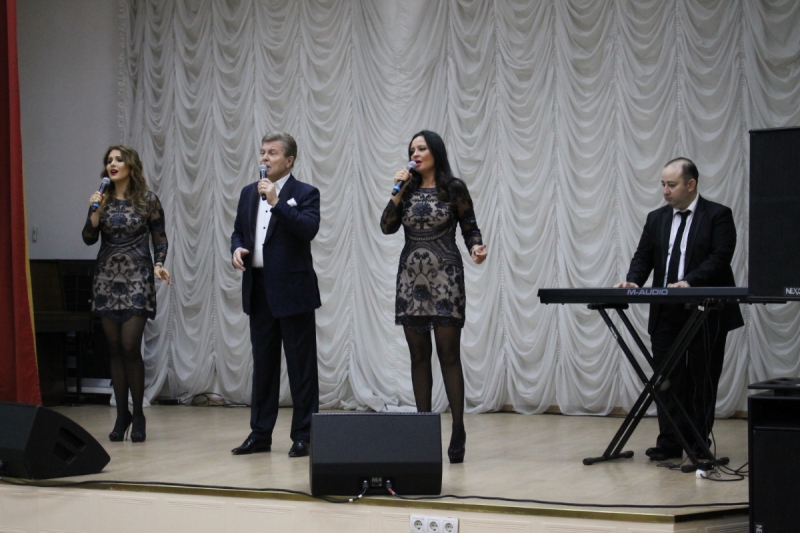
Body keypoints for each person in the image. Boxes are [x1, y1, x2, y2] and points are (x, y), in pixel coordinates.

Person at [615, 157, 744, 462]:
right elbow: (643, 256)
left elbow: (720, 257)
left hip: (706, 311)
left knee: (702, 378)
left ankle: (698, 443)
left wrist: (690, 282)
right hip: (666, 311)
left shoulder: (718, 215)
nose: (665, 191)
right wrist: (633, 281)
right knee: (667, 378)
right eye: (663, 184)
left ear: (691, 184)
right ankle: (670, 442)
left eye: (671, 185)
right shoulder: (656, 218)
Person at [380, 130, 487, 463]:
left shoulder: (453, 188)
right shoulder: (407, 189)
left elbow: (470, 227)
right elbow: (386, 226)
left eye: (421, 148)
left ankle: (458, 428)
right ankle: (423, 431)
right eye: (411, 150)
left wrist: (476, 247)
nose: (415, 154)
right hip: (411, 280)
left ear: (435, 153)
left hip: (446, 278)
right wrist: (398, 191)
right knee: (418, 356)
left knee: (448, 354)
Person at [230, 132, 321, 458]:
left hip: (293, 292)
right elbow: (239, 231)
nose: (264, 158)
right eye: (263, 152)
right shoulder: (248, 193)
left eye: (272, 153)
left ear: (289, 160)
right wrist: (237, 248)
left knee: (301, 368)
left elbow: (308, 229)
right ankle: (260, 434)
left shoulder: (305, 193)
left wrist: (277, 202)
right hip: (259, 289)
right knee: (264, 367)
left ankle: (304, 436)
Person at [83, 145, 170, 443]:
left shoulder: (147, 200)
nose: (113, 164)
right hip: (106, 278)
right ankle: (122, 415)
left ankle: (139, 413)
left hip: (138, 276)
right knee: (114, 348)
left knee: (130, 345)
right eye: (109, 160)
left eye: (119, 160)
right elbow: (88, 238)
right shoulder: (101, 199)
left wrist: (159, 265)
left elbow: (160, 238)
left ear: (131, 166)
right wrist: (94, 213)